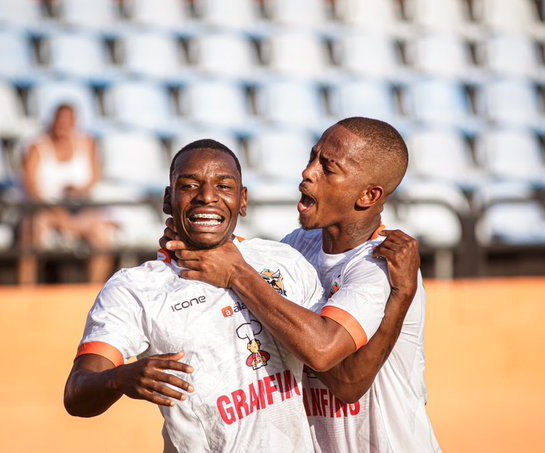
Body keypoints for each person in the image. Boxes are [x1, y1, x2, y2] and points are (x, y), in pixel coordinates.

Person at [161, 117, 441, 452]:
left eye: (327, 167)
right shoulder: (298, 246)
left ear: (368, 195)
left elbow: (339, 373)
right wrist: (197, 241)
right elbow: (240, 267)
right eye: (311, 158)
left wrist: (236, 272)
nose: (308, 172)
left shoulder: (380, 267)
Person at [64, 140, 327, 452]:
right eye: (189, 185)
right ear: (168, 199)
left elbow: (328, 350)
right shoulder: (134, 289)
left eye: (223, 185)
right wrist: (120, 378)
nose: (207, 197)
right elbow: (76, 395)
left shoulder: (283, 260)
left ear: (242, 200)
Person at [20, 103, 115, 284]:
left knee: (101, 231)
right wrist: (56, 212)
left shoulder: (88, 144)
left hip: (77, 209)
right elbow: (30, 187)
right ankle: (27, 289)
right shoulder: (36, 148)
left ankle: (94, 291)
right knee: (32, 230)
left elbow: (93, 180)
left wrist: (78, 191)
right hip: (44, 210)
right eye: (59, 122)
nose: (63, 127)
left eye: (67, 122)